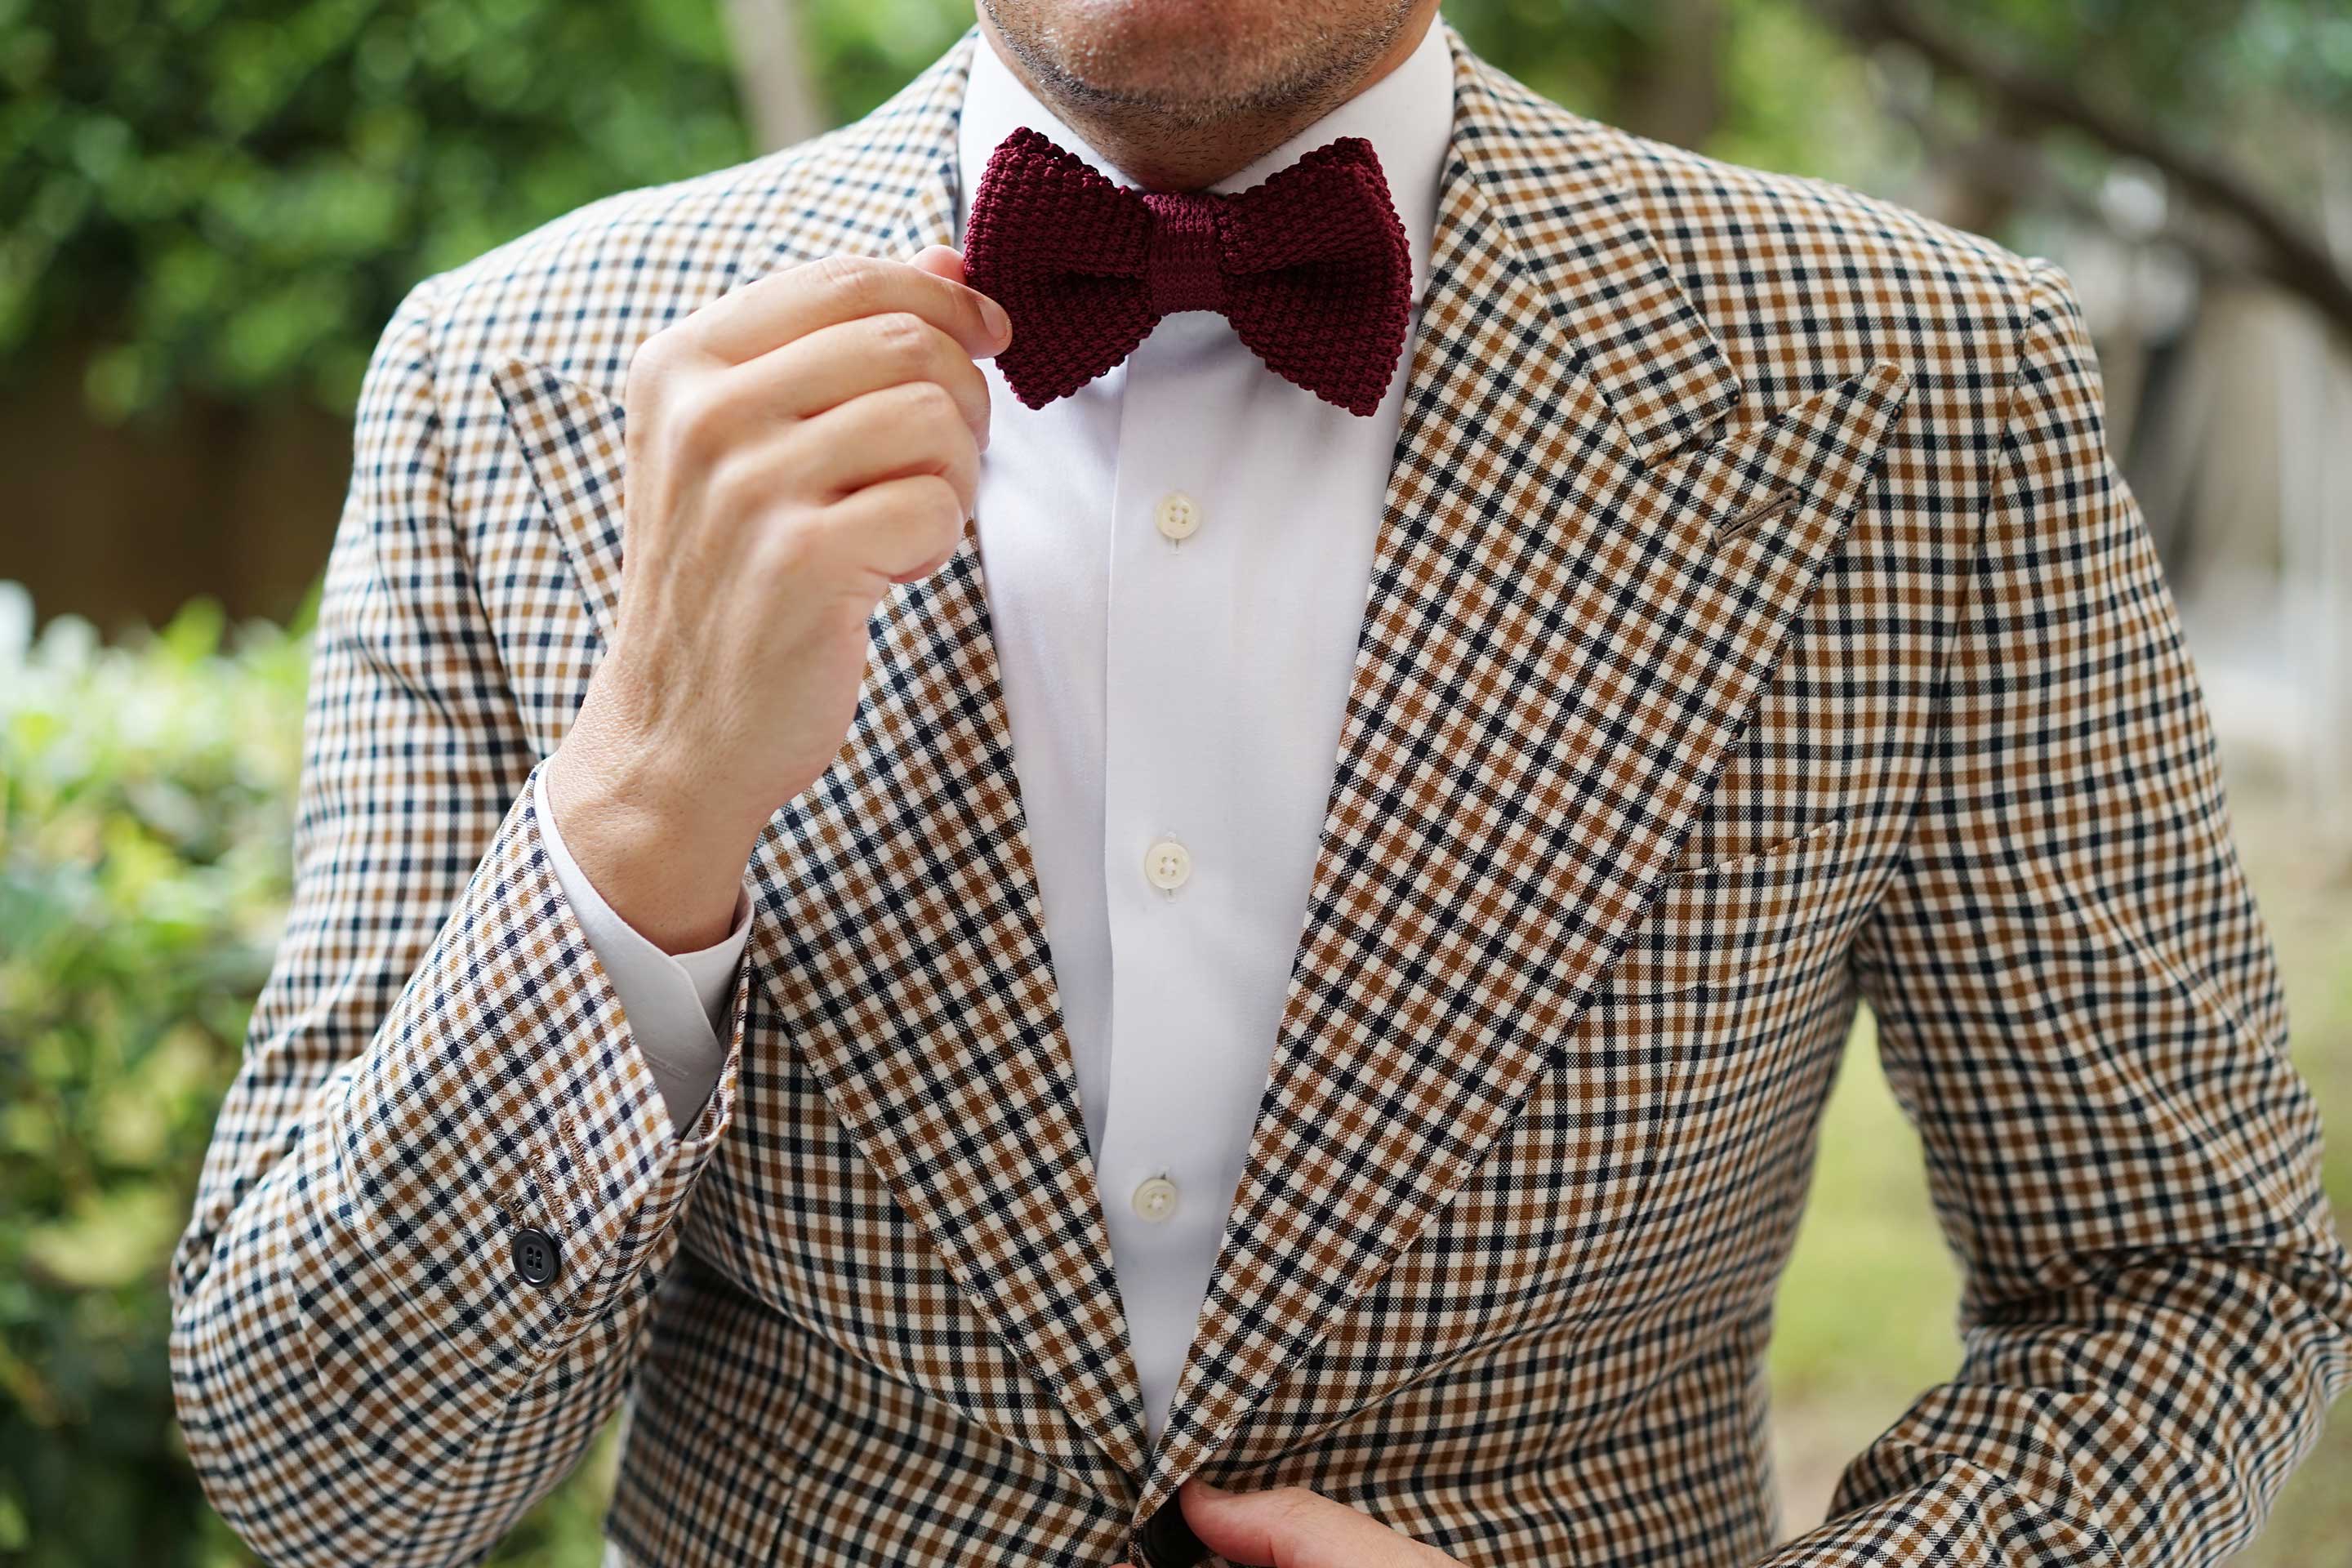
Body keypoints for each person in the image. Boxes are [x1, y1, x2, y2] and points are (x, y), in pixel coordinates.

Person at [169, 1, 2352, 1564]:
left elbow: (2188, 1286)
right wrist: (640, 814)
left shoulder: (1919, 385)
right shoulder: (507, 383)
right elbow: (329, 1477)